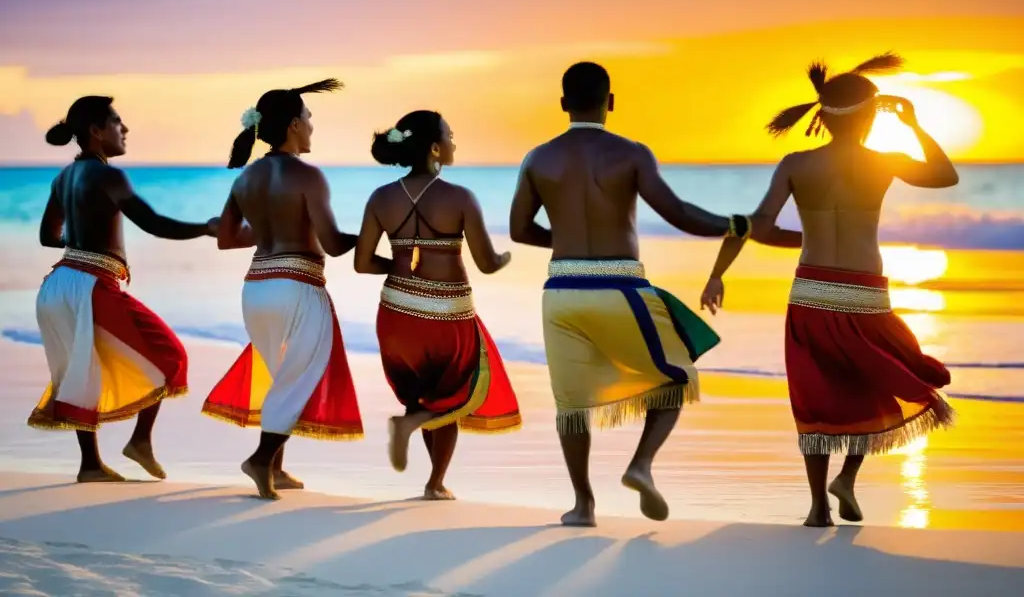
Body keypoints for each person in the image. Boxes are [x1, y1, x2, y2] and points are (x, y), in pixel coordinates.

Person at [509, 62, 800, 527]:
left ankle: (583, 505)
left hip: (561, 290)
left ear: (563, 104)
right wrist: (736, 225)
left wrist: (566, 241)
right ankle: (641, 465)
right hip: (620, 286)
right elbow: (678, 213)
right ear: (611, 102)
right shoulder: (632, 154)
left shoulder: (537, 159)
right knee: (677, 377)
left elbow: (519, 230)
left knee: (570, 403)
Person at [700, 53, 958, 527]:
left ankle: (819, 505)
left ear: (822, 116)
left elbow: (758, 226)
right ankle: (847, 478)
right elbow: (945, 175)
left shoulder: (798, 164)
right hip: (866, 293)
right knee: (869, 383)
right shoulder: (886, 161)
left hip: (811, 292)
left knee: (816, 396)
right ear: (870, 115)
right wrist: (914, 124)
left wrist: (720, 271)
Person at [32, 96, 218, 482]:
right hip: (91, 284)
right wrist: (205, 227)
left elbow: (47, 236)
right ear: (97, 132)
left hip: (57, 285)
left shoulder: (63, 177)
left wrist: (80, 239)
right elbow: (152, 223)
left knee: (84, 370)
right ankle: (140, 442)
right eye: (118, 122)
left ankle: (90, 465)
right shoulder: (108, 176)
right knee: (172, 356)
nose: (125, 129)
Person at [202, 79, 364, 500]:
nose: (312, 127)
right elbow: (333, 242)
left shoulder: (246, 177)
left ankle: (275, 468)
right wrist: (376, 233)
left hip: (255, 289)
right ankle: (260, 459)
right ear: (294, 124)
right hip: (297, 286)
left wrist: (275, 226)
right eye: (309, 119)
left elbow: (225, 238)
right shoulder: (308, 175)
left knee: (282, 375)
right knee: (301, 375)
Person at [355, 110, 522, 501]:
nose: (453, 141)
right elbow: (486, 262)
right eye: (450, 135)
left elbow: (362, 263)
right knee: (449, 395)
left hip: (396, 313)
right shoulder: (461, 197)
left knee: (419, 392)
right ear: (434, 147)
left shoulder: (381, 198)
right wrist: (505, 259)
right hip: (447, 314)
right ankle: (434, 482)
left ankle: (418, 436)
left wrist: (400, 266)